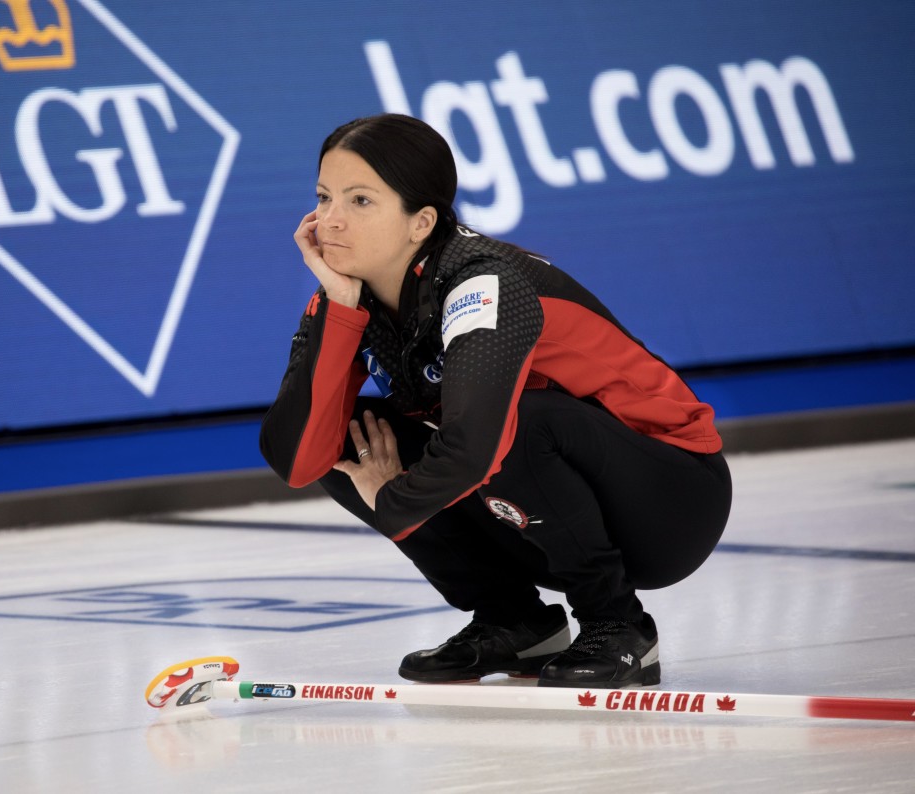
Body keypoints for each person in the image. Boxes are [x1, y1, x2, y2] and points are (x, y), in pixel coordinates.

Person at [259, 114, 732, 689]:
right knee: (348, 440)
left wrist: (392, 501)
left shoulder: (484, 283)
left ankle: (619, 625)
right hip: (542, 500)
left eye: (360, 201)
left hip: (671, 501)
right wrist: (338, 310)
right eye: (323, 197)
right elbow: (298, 458)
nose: (329, 221)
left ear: (421, 222)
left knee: (522, 423)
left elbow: (473, 446)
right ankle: (515, 622)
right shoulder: (347, 293)